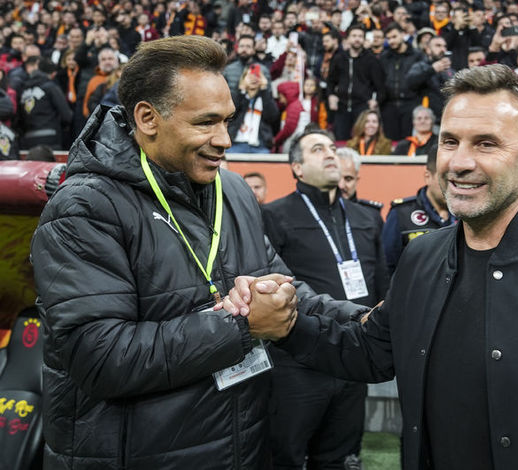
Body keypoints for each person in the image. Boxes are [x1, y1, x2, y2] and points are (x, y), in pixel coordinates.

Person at [222, 64, 518, 470]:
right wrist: (287, 327)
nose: (460, 162)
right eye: (450, 141)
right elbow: (371, 349)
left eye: (486, 143)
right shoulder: (422, 257)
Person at [31, 35, 365, 469]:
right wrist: (240, 327)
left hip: (238, 452)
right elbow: (98, 358)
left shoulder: (233, 191)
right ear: (147, 118)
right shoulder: (84, 207)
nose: (224, 139)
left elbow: (282, 288)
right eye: (206, 122)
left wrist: (366, 322)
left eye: (227, 120)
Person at [261, 127, 389, 470]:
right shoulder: (274, 215)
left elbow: (381, 283)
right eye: (318, 149)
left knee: (340, 459)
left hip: (353, 356)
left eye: (332, 147)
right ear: (297, 168)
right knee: (286, 457)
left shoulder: (366, 217)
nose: (331, 153)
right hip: (298, 362)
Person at [382, 143, 455, 273]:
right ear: (428, 177)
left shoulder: (465, 215)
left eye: (456, 179)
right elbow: (387, 266)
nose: (452, 187)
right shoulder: (401, 213)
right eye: (445, 179)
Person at [327, 24, 386, 141]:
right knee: (340, 140)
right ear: (348, 38)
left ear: (364, 39)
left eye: (360, 36)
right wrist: (331, 95)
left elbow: (381, 85)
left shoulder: (371, 60)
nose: (357, 39)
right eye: (354, 36)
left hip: (362, 107)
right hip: (342, 107)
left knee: (362, 140)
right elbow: (330, 81)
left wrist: (376, 101)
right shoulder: (339, 58)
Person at [380, 23, 425, 141]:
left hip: (411, 104)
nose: (391, 41)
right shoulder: (384, 57)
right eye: (388, 38)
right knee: (390, 143)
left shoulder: (417, 55)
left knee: (409, 142)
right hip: (389, 106)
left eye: (394, 37)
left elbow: (423, 79)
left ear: (403, 35)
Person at [228, 64, 278, 154]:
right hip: (236, 144)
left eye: (257, 75)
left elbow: (272, 117)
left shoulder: (265, 96)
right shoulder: (238, 95)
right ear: (243, 78)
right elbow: (231, 114)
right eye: (250, 76)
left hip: (260, 146)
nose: (253, 79)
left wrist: (264, 89)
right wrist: (241, 90)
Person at [406, 35, 454, 124]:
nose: (443, 49)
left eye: (444, 46)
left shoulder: (449, 70)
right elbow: (410, 83)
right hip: (425, 120)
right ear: (428, 49)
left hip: (446, 119)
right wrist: (432, 70)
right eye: (438, 46)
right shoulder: (420, 66)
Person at [337, 146, 384, 214]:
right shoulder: (320, 213)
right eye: (337, 178)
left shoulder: (370, 214)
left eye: (348, 179)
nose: (341, 185)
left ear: (356, 181)